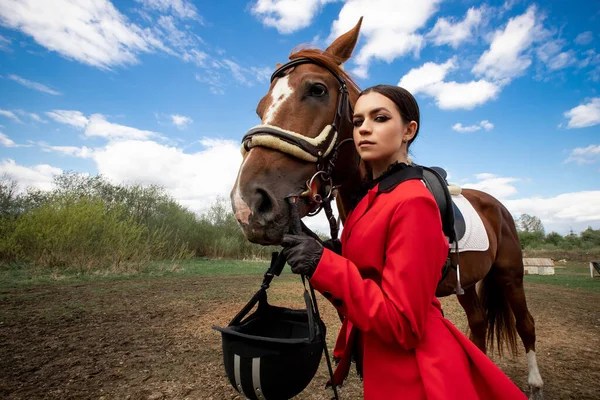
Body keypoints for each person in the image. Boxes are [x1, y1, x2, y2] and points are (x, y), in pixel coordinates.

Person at [281, 85, 527, 399]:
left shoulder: (413, 201)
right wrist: (321, 251)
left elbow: (402, 324)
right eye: (357, 122)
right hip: (380, 359)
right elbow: (364, 280)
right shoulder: (373, 195)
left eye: (379, 118)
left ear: (409, 130)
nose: (364, 129)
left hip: (413, 375)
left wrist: (323, 265)